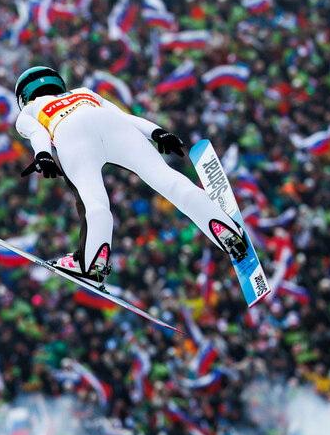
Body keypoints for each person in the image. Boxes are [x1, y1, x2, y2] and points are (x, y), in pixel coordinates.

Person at [13, 65, 249, 283]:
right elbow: (124, 117)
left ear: (23, 97)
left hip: (69, 131)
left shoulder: (31, 109)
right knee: (166, 179)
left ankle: (94, 261)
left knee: (93, 202)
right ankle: (223, 227)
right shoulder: (84, 92)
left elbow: (36, 133)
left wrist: (43, 155)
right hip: (111, 123)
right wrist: (157, 132)